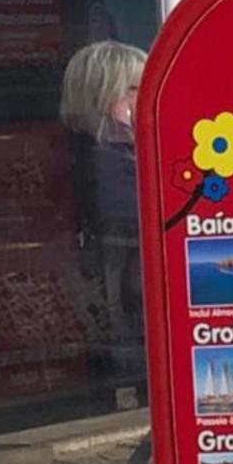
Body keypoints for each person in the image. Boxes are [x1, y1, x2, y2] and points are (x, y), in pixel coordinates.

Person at [60, 41, 147, 385]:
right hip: (117, 282)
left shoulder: (118, 151)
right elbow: (130, 212)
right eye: (133, 91)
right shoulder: (103, 157)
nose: (144, 100)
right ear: (102, 98)